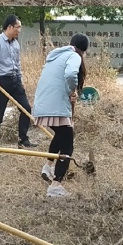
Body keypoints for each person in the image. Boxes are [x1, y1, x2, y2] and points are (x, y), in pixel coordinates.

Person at [33, 33, 89, 198]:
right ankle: (56, 186)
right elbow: (71, 74)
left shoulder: (56, 56)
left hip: (41, 104)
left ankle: (48, 166)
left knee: (62, 133)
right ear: (83, 51)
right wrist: (73, 90)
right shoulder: (74, 56)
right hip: (55, 105)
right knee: (68, 143)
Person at [0, 15, 35, 148]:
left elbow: (17, 63)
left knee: (26, 108)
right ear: (9, 27)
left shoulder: (15, 43)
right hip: (0, 83)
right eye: (18, 27)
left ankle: (23, 140)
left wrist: (19, 78)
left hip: (15, 81)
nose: (19, 30)